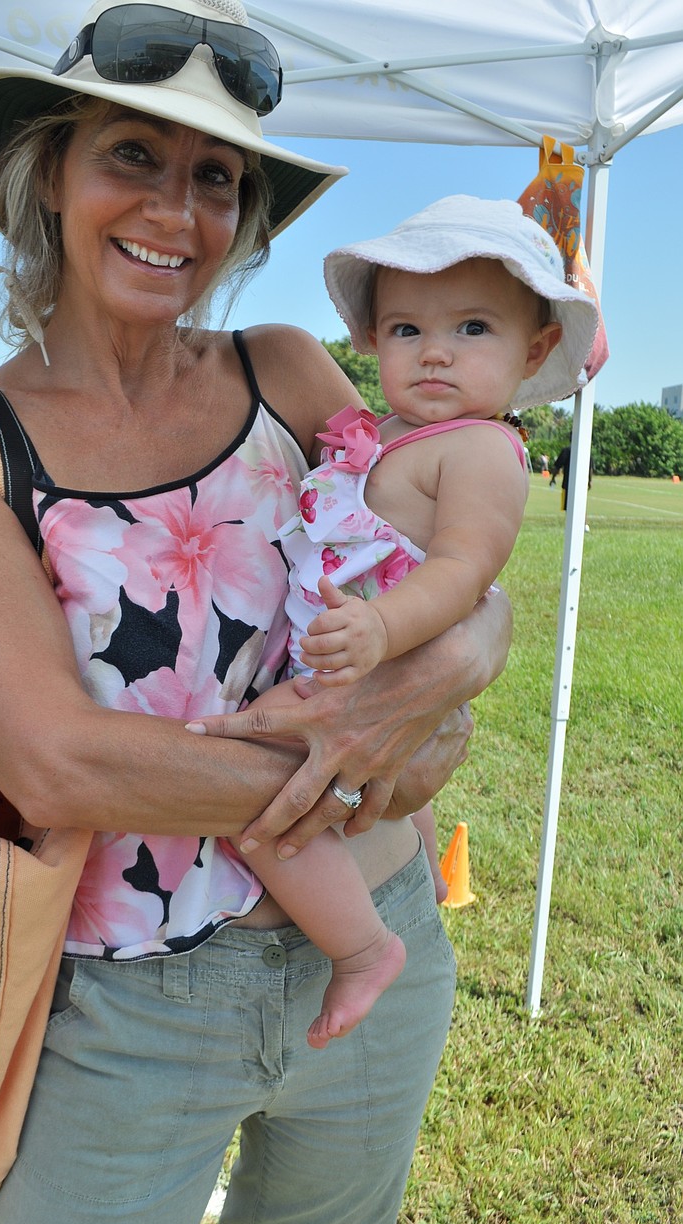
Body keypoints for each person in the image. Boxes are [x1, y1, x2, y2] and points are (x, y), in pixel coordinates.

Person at [0, 3, 514, 1224]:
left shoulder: (284, 369)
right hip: (129, 1003)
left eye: (214, 178)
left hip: (382, 929)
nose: (177, 211)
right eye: (131, 157)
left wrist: (448, 664)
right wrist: (357, 751)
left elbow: (456, 570)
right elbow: (60, 762)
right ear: (49, 171)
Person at [191, 195, 598, 1050]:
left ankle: (365, 949)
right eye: (407, 330)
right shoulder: (386, 434)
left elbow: (463, 570)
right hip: (337, 655)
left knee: (266, 809)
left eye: (474, 329)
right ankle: (400, 876)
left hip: (376, 665)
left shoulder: (483, 449)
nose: (436, 351)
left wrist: (381, 630)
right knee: (375, 804)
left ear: (535, 350)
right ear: (374, 340)